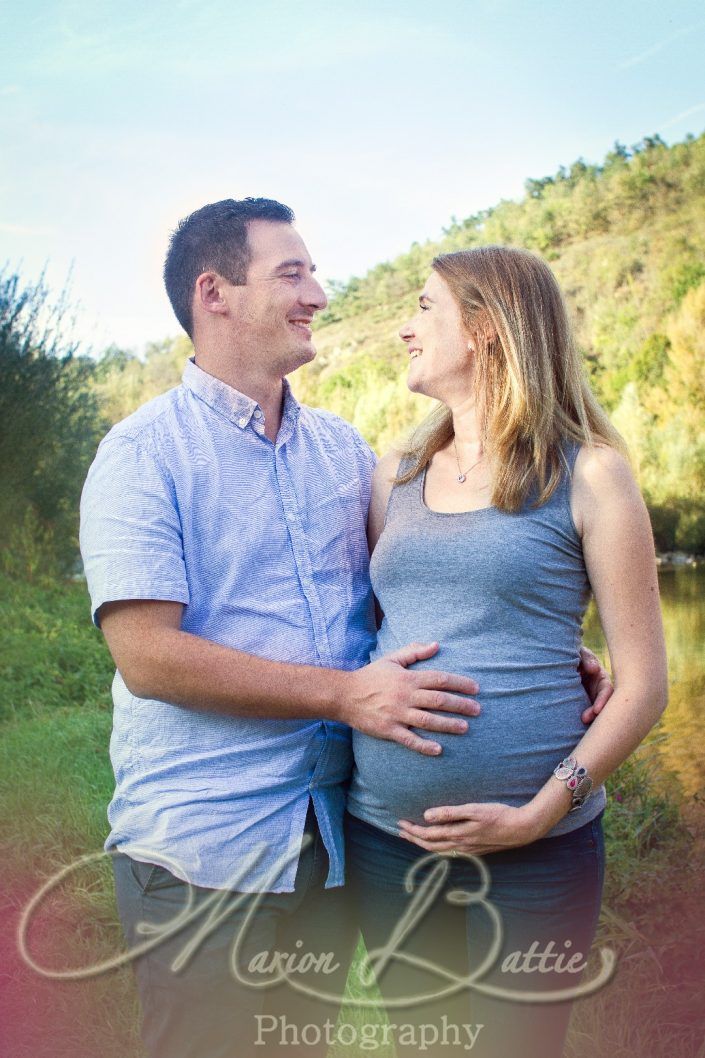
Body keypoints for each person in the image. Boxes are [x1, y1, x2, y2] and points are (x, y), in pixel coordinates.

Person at [79, 200, 611, 1058]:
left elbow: (415, 588)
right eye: (291, 273)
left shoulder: (344, 455)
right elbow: (147, 657)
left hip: (332, 848)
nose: (319, 293)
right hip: (208, 853)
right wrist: (344, 695)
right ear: (214, 293)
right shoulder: (143, 455)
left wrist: (552, 652)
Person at [345, 246, 668, 1058]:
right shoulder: (396, 475)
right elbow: (392, 625)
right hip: (388, 845)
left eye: (424, 307)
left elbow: (643, 686)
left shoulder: (591, 476)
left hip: (538, 858)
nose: (403, 327)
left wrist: (536, 815)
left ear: (486, 328)